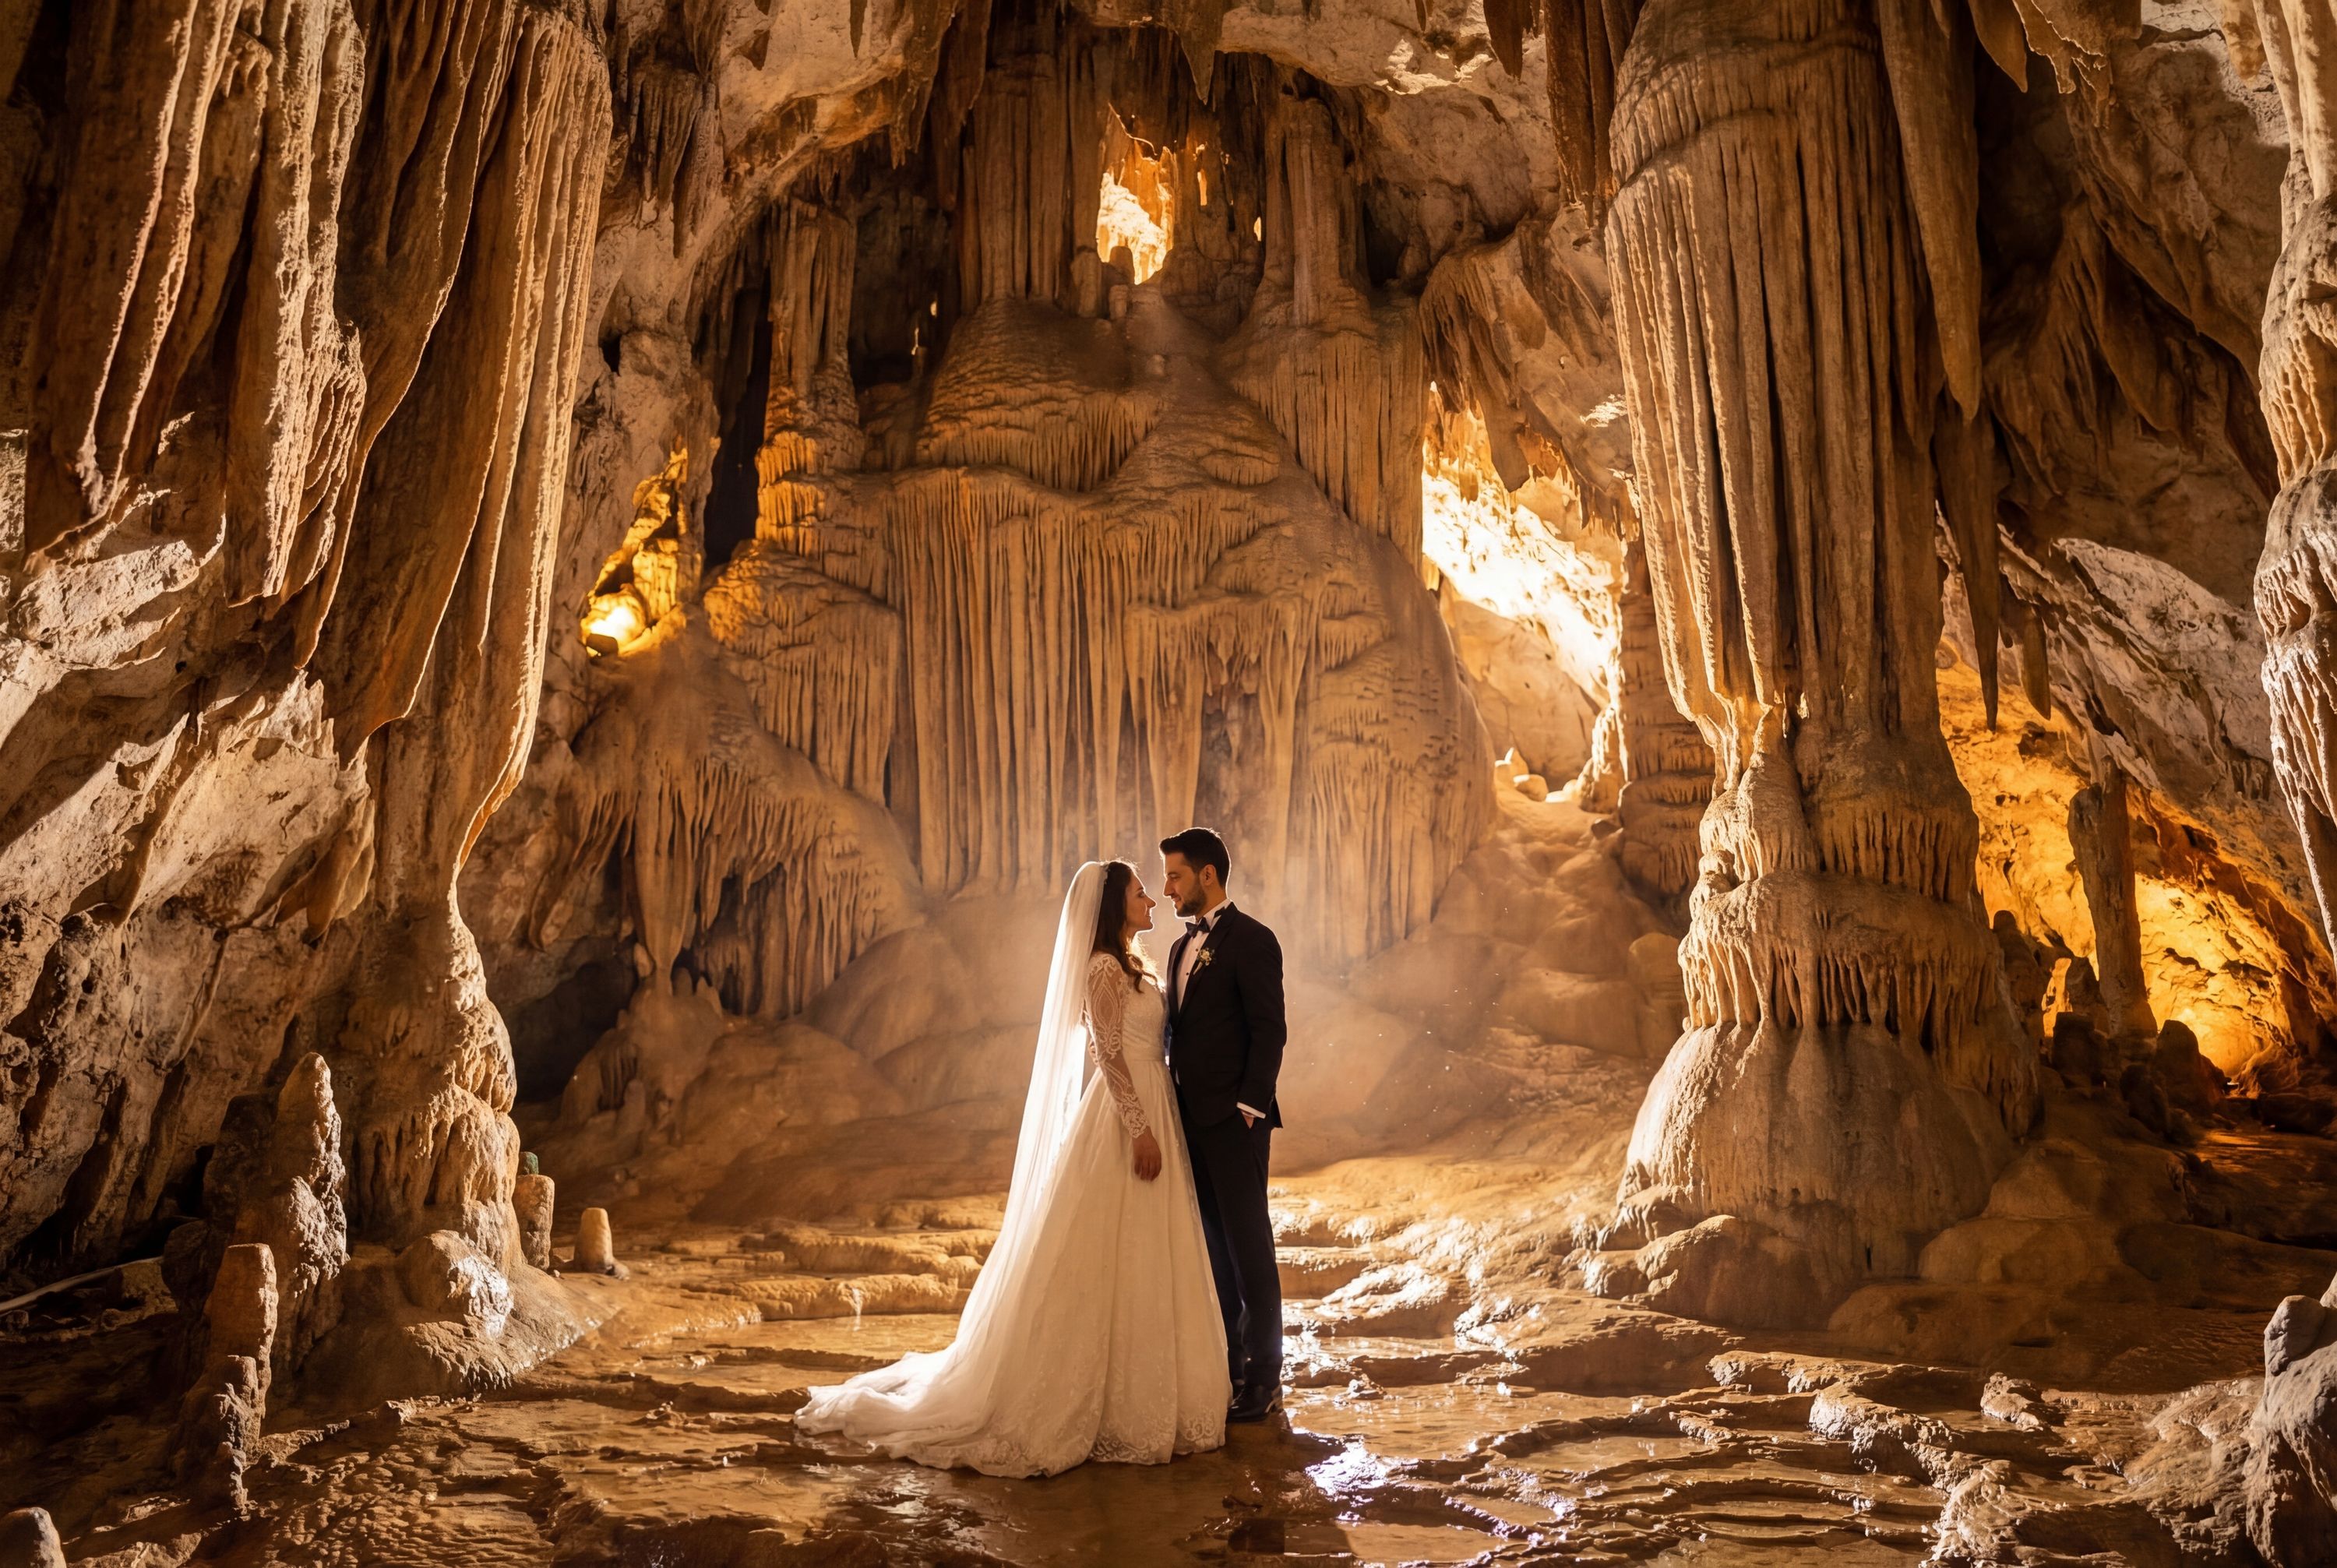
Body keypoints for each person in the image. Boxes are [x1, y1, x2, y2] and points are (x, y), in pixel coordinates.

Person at [794, 860, 1228, 1475]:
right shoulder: (1103, 968)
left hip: (1156, 1105)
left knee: (1152, 1251)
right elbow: (1107, 1052)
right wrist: (1139, 1128)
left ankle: (1158, 1394)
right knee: (1108, 1250)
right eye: (1139, 891)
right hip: (1124, 1118)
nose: (1152, 898)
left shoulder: (1137, 964)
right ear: (1113, 906)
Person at [1158, 826, 1287, 1423]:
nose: (1167, 888)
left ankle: (1264, 1377)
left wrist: (1248, 1109)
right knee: (1214, 1249)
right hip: (1190, 1122)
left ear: (1207, 875)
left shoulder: (1252, 939)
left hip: (1235, 1124)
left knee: (1250, 1249)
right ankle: (1230, 1367)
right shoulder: (1179, 949)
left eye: (1176, 875)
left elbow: (1269, 1030)